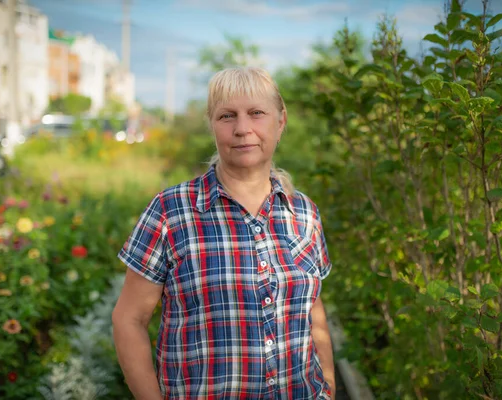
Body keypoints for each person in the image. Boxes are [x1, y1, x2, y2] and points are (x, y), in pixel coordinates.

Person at [112, 66, 335, 399]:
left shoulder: (303, 213)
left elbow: (313, 311)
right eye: (227, 116)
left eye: (256, 113)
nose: (243, 129)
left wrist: (328, 389)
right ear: (212, 125)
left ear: (281, 121)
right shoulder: (171, 212)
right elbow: (128, 319)